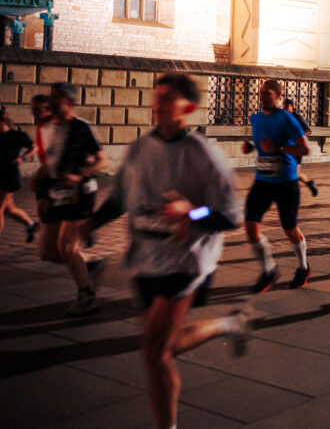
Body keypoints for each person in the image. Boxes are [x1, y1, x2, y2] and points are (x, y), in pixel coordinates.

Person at [81, 73, 248, 429]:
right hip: (145, 260)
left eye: (167, 98)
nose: (156, 105)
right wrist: (90, 223)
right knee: (165, 346)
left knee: (154, 352)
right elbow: (120, 198)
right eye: (156, 96)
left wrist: (191, 212)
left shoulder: (203, 154)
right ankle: (227, 323)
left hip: (187, 262)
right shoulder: (140, 148)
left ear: (188, 107)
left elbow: (232, 215)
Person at [33, 82, 107, 317]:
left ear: (70, 101)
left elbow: (101, 161)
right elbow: (50, 163)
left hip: (81, 192)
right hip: (58, 192)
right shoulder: (47, 128)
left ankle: (87, 297)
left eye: (57, 97)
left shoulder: (82, 128)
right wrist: (39, 183)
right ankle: (88, 265)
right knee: (49, 252)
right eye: (51, 96)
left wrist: (80, 174)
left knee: (66, 246)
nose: (52, 101)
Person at [242, 79, 312, 293]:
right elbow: (263, 144)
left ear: (279, 95)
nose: (262, 95)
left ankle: (303, 267)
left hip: (286, 181)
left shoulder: (287, 119)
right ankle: (269, 270)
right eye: (261, 92)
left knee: (289, 228)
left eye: (268, 93)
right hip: (263, 180)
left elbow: (305, 149)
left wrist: (279, 148)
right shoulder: (255, 118)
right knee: (250, 224)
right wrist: (252, 147)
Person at [0, 108, 38, 242]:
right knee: (9, 209)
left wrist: (23, 158)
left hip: (9, 176)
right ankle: (31, 225)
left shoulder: (17, 136)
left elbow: (35, 147)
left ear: (3, 121)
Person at [283, 98, 318, 198]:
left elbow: (308, 131)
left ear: (292, 107)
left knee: (294, 174)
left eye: (286, 106)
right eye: (283, 106)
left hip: (297, 149)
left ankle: (296, 192)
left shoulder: (297, 117)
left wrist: (297, 138)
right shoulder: (284, 117)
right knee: (289, 172)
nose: (284, 108)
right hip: (287, 149)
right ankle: (307, 184)